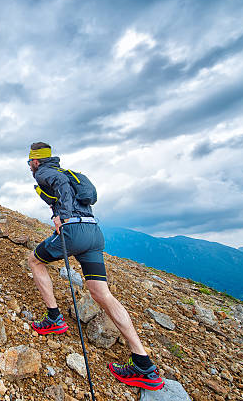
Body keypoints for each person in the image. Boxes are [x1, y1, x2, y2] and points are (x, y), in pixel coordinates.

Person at [27, 142, 164, 391]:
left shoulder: (45, 173)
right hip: (93, 232)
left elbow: (60, 190)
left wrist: (63, 216)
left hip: (74, 230)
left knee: (35, 261)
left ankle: (54, 318)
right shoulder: (69, 174)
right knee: (102, 293)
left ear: (36, 160)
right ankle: (144, 364)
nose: (29, 167)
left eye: (29, 162)